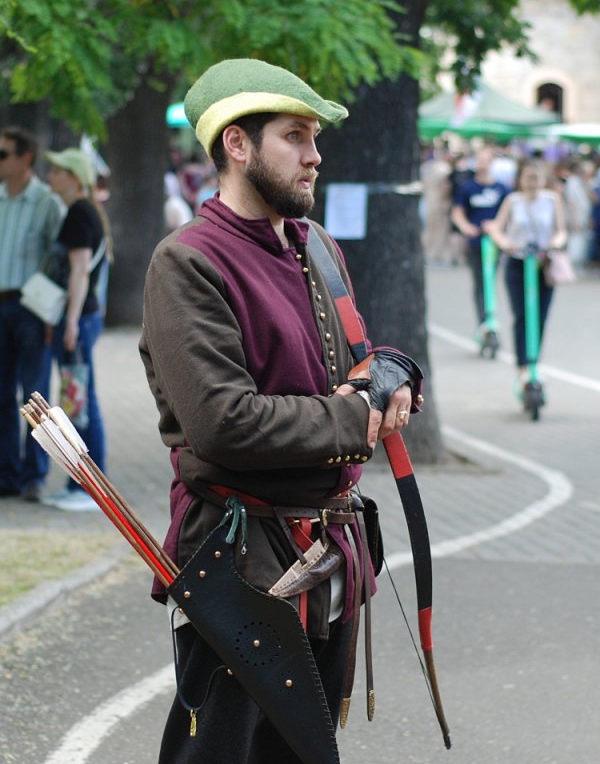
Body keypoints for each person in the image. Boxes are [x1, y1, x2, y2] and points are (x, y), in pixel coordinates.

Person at [139, 58, 424, 764]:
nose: (314, 154)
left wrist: (393, 372)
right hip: (242, 567)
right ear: (238, 144)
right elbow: (223, 424)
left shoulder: (317, 247)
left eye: (314, 137)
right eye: (295, 136)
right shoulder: (189, 262)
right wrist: (356, 416)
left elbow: (349, 360)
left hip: (329, 555)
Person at [40, 148, 108, 512]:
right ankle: (82, 485)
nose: (50, 175)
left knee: (78, 402)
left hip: (78, 320)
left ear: (73, 177)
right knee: (77, 400)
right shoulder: (82, 212)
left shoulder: (79, 214)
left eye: (57, 170)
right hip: (80, 319)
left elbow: (80, 272)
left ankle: (87, 487)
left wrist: (69, 320)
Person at [0, 126, 64, 501]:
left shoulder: (46, 202)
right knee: (1, 395)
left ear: (25, 158)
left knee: (34, 395)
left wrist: (53, 316)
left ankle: (34, 477)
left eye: (3, 154)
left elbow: (59, 263)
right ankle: (6, 475)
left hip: (31, 308)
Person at [486, 159, 567, 396]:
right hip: (518, 263)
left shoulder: (552, 200)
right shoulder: (513, 201)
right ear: (521, 179)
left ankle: (535, 363)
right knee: (522, 315)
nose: (532, 182)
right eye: (528, 177)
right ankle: (522, 367)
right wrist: (506, 244)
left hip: (544, 264)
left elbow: (561, 230)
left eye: (537, 177)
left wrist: (556, 243)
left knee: (540, 316)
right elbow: (497, 229)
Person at [451, 145, 511, 340]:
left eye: (486, 160)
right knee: (481, 283)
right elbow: (458, 213)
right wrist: (467, 227)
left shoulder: (502, 189)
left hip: (495, 243)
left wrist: (497, 228)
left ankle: (491, 320)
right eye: (479, 160)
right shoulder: (468, 188)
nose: (482, 164)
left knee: (491, 281)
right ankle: (484, 323)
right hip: (477, 243)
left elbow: (508, 214)